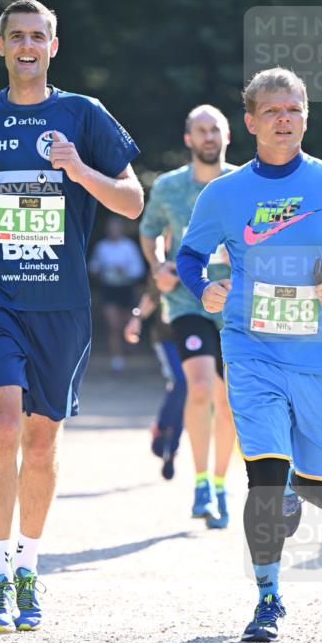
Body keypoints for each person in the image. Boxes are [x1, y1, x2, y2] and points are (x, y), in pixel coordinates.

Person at [0, 0, 142, 635]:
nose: (27, 46)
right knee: (2, 423)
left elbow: (132, 201)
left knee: (42, 439)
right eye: (17, 36)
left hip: (61, 303)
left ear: (53, 47)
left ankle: (28, 566)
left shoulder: (83, 114)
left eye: (38, 36)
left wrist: (78, 169)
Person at [177, 67, 322, 643]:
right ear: (250, 122)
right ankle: (268, 597)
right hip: (251, 350)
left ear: (306, 118)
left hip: (319, 353)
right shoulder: (224, 193)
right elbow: (190, 256)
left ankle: (302, 483)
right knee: (264, 479)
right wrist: (204, 288)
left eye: (294, 109)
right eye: (272, 110)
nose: (284, 119)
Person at [139, 106, 237, 529]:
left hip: (235, 304)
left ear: (227, 136)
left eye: (215, 129)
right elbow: (149, 232)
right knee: (198, 386)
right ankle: (199, 485)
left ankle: (220, 484)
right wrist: (158, 267)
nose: (209, 136)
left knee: (229, 400)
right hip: (187, 299)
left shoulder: (246, 183)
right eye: (201, 130)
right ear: (188, 139)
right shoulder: (168, 186)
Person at [123, 270, 187, 480]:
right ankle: (161, 427)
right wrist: (136, 319)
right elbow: (152, 295)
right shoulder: (162, 263)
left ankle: (172, 448)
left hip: (194, 333)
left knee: (187, 390)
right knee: (181, 381)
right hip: (166, 337)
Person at [88, 216, 145, 371]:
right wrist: (98, 271)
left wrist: (125, 271)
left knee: (127, 322)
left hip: (126, 288)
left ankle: (130, 351)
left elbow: (139, 270)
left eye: (117, 228)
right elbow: (93, 266)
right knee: (113, 325)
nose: (114, 231)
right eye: (111, 228)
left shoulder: (129, 247)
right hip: (109, 288)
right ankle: (117, 358)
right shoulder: (101, 247)